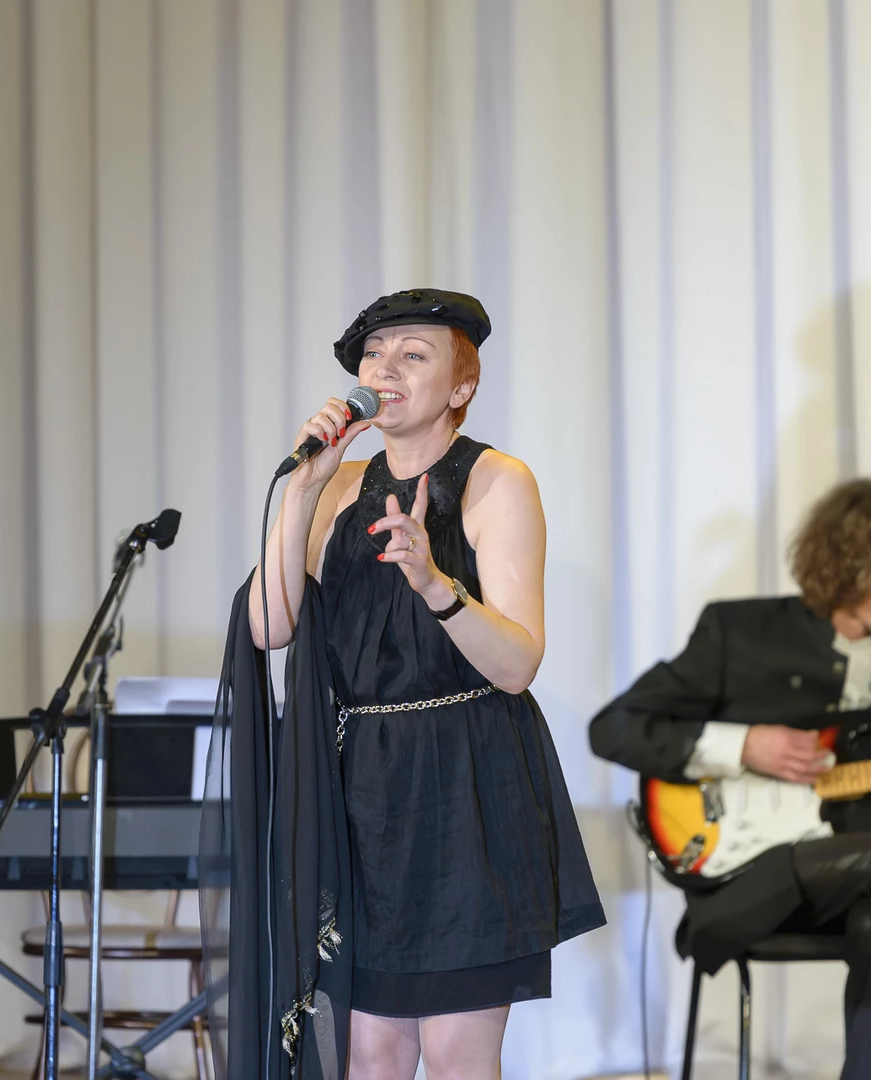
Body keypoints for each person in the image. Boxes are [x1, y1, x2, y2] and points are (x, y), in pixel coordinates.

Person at [206, 288, 603, 1080]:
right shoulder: (336, 486)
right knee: (369, 1055)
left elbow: (517, 664)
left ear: (461, 385)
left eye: (412, 354)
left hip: (465, 783)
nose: (384, 368)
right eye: (372, 354)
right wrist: (304, 489)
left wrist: (434, 585)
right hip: (360, 793)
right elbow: (268, 624)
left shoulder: (496, 480)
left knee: (457, 1054)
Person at [589, 478, 871, 1080]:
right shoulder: (741, 634)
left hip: (862, 888)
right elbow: (614, 728)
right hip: (741, 882)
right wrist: (744, 745)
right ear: (845, 561)